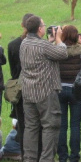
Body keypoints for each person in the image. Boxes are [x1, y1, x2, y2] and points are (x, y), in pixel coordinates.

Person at [20, 15, 68, 162]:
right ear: (40, 29)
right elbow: (62, 53)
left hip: (28, 91)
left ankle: (29, 159)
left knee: (31, 127)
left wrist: (49, 42)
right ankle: (46, 159)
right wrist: (59, 39)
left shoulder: (24, 43)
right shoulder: (42, 46)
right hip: (45, 91)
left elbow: (41, 52)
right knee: (50, 125)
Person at [57, 25, 81, 162]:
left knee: (62, 125)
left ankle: (62, 156)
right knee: (75, 125)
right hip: (76, 90)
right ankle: (74, 156)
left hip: (60, 89)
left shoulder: (57, 51)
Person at [7, 13, 33, 160]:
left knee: (22, 125)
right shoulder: (40, 44)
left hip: (19, 90)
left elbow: (13, 72)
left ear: (23, 25)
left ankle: (24, 155)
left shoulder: (12, 45)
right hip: (35, 89)